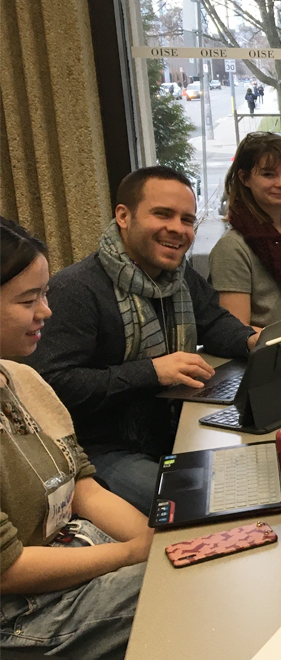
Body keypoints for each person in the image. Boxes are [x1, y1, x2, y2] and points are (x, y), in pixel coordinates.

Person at [27, 166, 258, 513]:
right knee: (206, 503)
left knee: (257, 475)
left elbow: (213, 323)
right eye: (163, 214)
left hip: (174, 428)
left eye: (186, 220)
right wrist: (151, 372)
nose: (178, 229)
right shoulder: (76, 289)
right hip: (104, 451)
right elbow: (52, 386)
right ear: (123, 216)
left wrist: (252, 341)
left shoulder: (178, 277)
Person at [1, 217, 154, 660]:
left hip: (73, 556)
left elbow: (81, 483)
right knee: (190, 584)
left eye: (44, 294)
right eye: (29, 299)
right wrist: (133, 555)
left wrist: (153, 541)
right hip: (20, 613)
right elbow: (8, 571)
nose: (46, 311)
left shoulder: (22, 379)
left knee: (190, 558)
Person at [209, 132, 281, 327]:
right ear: (244, 178)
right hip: (268, 354)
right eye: (268, 174)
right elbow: (237, 332)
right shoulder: (232, 249)